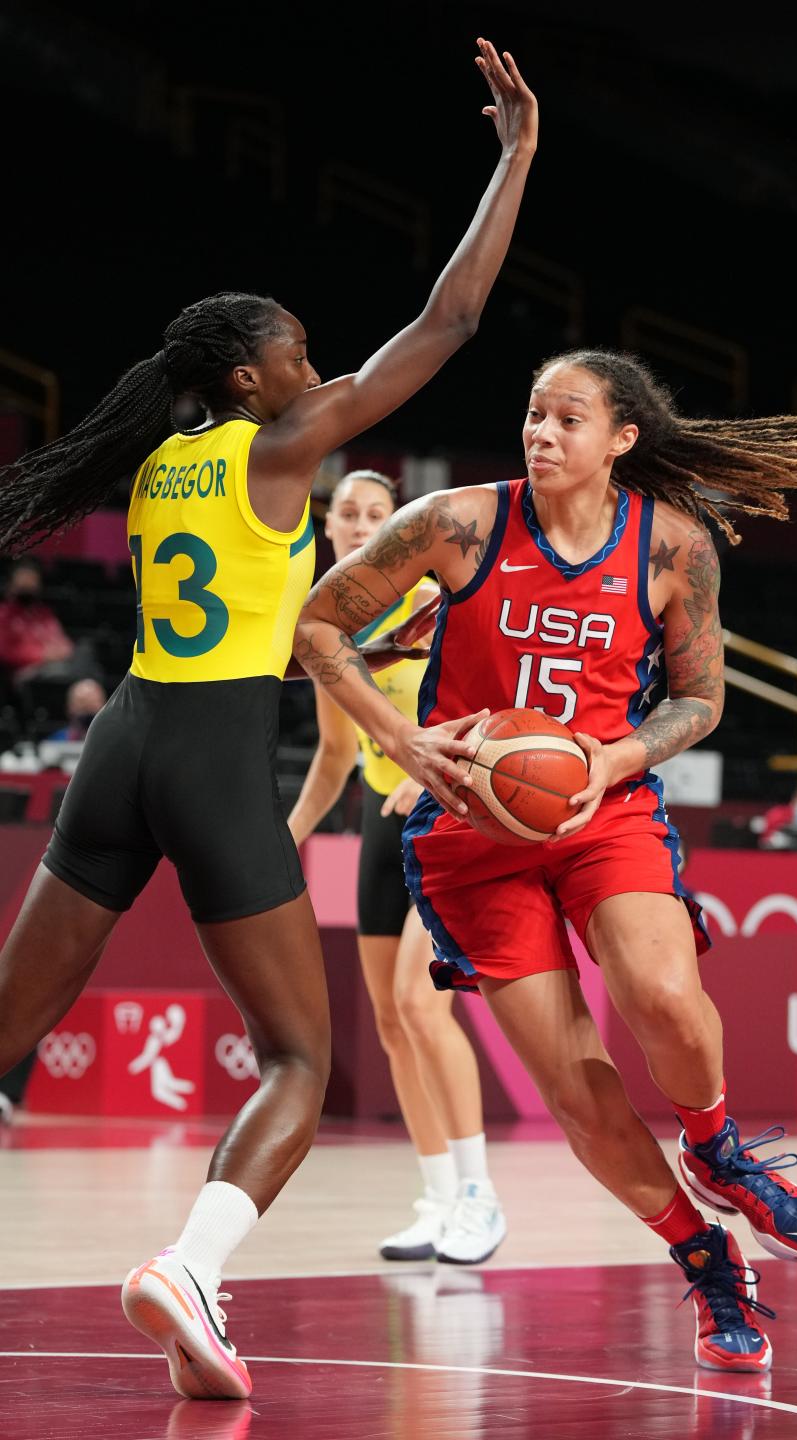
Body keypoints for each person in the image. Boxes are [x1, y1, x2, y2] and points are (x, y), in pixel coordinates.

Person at [0, 37, 537, 1400]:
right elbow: (450, 325)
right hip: (212, 754)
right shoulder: (280, 444)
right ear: (250, 380)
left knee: (6, 1035)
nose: (319, 367)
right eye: (300, 353)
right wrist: (518, 156)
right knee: (300, 1054)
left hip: (119, 743)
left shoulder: (162, 458)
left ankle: (191, 1288)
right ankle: (190, 1268)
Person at [295, 347, 797, 1371]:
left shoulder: (672, 547)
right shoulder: (457, 523)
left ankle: (718, 1147)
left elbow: (700, 698)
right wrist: (405, 740)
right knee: (575, 1084)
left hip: (602, 804)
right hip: (471, 833)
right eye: (532, 413)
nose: (541, 433)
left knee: (663, 995)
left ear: (623, 439)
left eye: (567, 418)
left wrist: (616, 755)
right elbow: (318, 624)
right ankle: (704, 1260)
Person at [288, 469, 506, 1264]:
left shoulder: (437, 598)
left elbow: (495, 703)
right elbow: (335, 754)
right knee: (389, 1022)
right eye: (347, 513)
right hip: (378, 828)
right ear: (329, 526)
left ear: (398, 525)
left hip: (447, 815)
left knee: (421, 1003)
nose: (358, 524)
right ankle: (440, 1198)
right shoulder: (325, 623)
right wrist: (289, 835)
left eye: (376, 513)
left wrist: (430, 770)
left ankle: (481, 1196)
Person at [0, 560, 75, 683]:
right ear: (11, 585)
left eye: (32, 583)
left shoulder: (45, 614)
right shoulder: (3, 615)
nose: (28, 588)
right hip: (23, 673)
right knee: (59, 671)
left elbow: (64, 643)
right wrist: (42, 655)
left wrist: (61, 650)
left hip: (55, 666)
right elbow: (4, 652)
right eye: (24, 584)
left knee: (85, 655)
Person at [48, 677, 109, 742]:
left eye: (93, 704)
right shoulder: (55, 742)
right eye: (82, 703)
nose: (88, 711)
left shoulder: (113, 739)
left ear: (104, 706)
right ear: (69, 708)